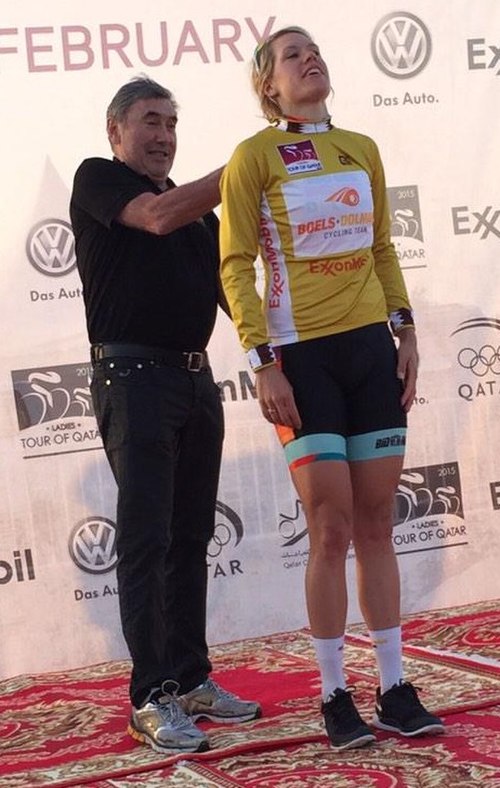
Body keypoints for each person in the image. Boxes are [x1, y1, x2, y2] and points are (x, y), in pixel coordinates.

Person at [219, 27, 444, 750]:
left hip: (369, 351)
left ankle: (394, 685)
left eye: (313, 49)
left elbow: (381, 248)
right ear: (268, 86)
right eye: (291, 54)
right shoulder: (252, 157)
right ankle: (333, 693)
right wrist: (264, 361)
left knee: (378, 524)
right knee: (333, 528)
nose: (309, 58)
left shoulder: (362, 148)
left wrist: (405, 333)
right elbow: (235, 264)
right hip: (300, 357)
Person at [70, 75, 260, 755]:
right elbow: (155, 217)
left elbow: (229, 297)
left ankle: (190, 678)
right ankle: (151, 696)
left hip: (194, 383)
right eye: (150, 120)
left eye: (172, 123)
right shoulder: (99, 179)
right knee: (148, 541)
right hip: (133, 379)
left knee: (189, 537)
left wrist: (278, 357)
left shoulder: (198, 217)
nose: (163, 135)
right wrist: (246, 165)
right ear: (116, 131)